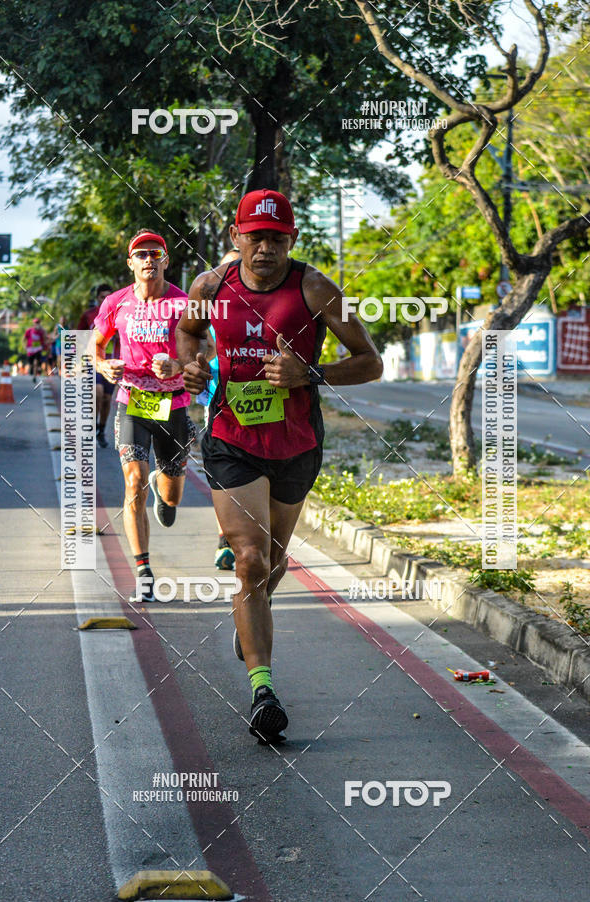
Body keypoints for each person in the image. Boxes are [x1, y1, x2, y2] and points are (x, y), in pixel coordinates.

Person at [177, 189, 382, 743]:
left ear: (291, 239)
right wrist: (190, 366)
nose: (264, 247)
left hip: (295, 444)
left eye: (276, 237)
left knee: (270, 563)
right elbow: (189, 332)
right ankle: (262, 689)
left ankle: (250, 618)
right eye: (255, 236)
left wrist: (309, 374)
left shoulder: (314, 289)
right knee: (247, 559)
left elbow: (370, 363)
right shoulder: (211, 287)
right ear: (236, 237)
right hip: (230, 438)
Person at [91, 231, 195, 603]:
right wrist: (104, 366)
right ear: (131, 263)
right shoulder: (116, 303)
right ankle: (144, 569)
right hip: (132, 400)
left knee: (172, 495)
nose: (148, 259)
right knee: (132, 481)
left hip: (175, 404)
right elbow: (95, 346)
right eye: (141, 254)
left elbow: (209, 347)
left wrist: (179, 364)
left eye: (155, 253)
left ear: (166, 260)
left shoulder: (183, 303)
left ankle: (164, 488)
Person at [196, 248, 240, 572]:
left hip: (263, 408)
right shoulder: (207, 307)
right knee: (222, 476)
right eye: (227, 268)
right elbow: (191, 341)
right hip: (217, 400)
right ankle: (225, 537)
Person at [77, 284, 116, 447]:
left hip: (112, 361)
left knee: (107, 398)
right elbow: (79, 337)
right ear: (97, 298)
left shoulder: (118, 314)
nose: (105, 300)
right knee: (97, 393)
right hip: (92, 360)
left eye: (108, 296)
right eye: (102, 297)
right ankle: (91, 428)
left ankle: (101, 429)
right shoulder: (89, 315)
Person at [24, 318, 48, 382]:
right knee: (31, 364)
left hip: (38, 349)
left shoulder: (42, 331)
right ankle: (31, 369)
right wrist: (24, 346)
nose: (37, 324)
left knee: (36, 363)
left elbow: (46, 338)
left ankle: (34, 376)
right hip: (30, 349)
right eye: (36, 323)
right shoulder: (29, 331)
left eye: (38, 323)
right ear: (33, 323)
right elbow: (24, 339)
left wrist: (44, 332)